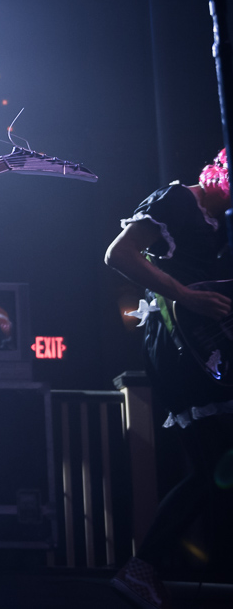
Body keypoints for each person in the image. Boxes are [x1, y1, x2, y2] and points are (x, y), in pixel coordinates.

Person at [104, 149, 233, 609]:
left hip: (214, 342)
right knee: (209, 462)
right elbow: (118, 254)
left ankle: (144, 569)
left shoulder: (225, 224)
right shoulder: (179, 200)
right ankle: (142, 569)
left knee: (213, 463)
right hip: (179, 338)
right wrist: (185, 297)